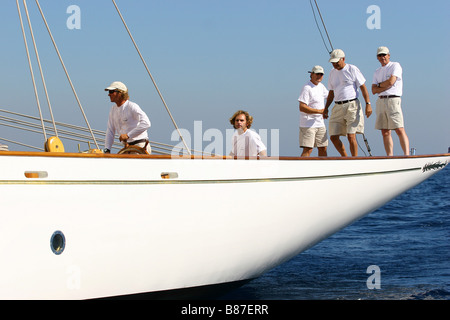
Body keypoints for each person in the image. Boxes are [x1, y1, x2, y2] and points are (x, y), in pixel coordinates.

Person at [324, 49, 372, 157]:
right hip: (337, 106)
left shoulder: (352, 69)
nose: (335, 64)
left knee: (351, 136)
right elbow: (331, 92)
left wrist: (368, 104)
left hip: (352, 105)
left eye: (337, 62)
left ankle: (354, 159)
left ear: (343, 59)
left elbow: (363, 87)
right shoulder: (332, 72)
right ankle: (345, 158)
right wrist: (326, 108)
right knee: (333, 136)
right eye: (333, 62)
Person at [372, 46, 409, 156]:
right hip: (381, 101)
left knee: (399, 128)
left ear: (389, 55)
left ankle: (406, 155)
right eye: (380, 55)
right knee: (385, 131)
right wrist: (384, 85)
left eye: (384, 55)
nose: (382, 57)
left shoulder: (395, 65)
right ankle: (389, 156)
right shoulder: (377, 71)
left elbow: (391, 82)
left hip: (393, 100)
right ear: (377, 57)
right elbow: (373, 90)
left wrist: (380, 86)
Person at [104, 81, 152, 154]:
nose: (109, 94)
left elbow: (146, 123)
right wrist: (107, 149)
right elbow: (110, 131)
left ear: (120, 93)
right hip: (127, 148)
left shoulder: (132, 106)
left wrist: (128, 135)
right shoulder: (113, 110)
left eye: (111, 92)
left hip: (139, 147)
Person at [298, 65, 329, 157]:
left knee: (323, 147)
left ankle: (323, 169)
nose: (319, 76)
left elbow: (330, 97)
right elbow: (302, 107)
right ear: (311, 74)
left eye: (321, 74)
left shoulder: (322, 86)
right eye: (317, 74)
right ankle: (301, 169)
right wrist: (320, 111)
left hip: (320, 123)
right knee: (308, 149)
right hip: (308, 124)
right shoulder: (307, 87)